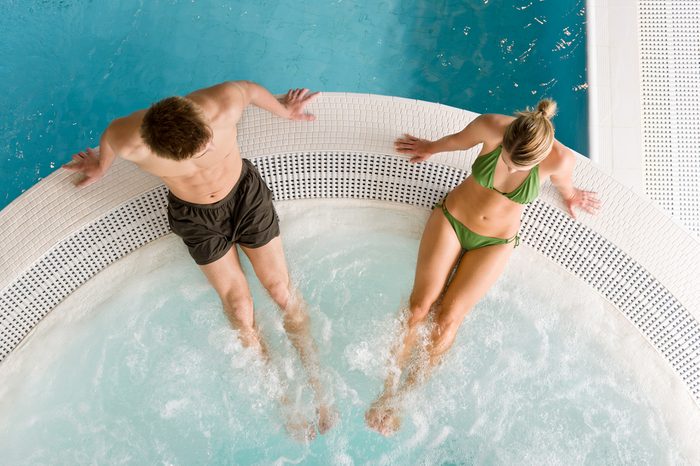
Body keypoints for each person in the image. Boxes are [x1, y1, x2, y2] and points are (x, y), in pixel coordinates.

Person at [63, 81, 336, 441]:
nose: (208, 147)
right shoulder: (129, 138)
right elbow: (110, 139)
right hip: (195, 216)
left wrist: (285, 109)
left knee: (280, 290)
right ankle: (283, 398)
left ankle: (317, 386)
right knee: (240, 307)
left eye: (207, 139)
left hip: (243, 195)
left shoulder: (221, 104)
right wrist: (101, 165)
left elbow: (251, 90)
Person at [365, 99, 601, 436]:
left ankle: (403, 399)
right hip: (452, 219)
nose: (508, 165)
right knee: (419, 307)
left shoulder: (560, 159)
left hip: (495, 242)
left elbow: (565, 185)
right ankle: (385, 392)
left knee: (447, 320)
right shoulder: (491, 126)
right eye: (505, 156)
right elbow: (457, 140)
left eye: (519, 165)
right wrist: (429, 148)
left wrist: (573, 195)